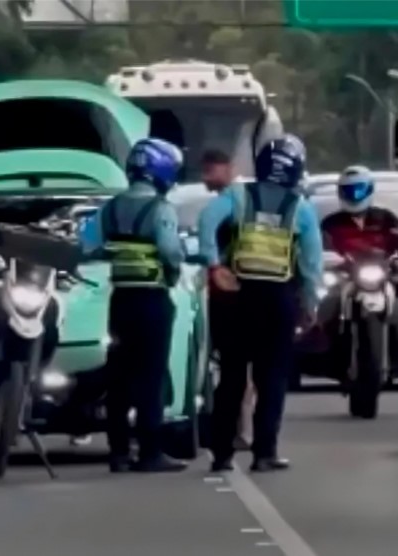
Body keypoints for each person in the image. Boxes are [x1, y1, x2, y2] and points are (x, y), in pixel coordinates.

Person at [198, 134, 323, 473]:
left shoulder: (238, 196)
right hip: (277, 301)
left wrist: (214, 265)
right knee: (272, 380)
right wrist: (310, 304)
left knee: (232, 376)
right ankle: (264, 453)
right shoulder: (301, 209)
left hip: (236, 297)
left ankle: (221, 453)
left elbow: (206, 222)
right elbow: (312, 264)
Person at [80, 137, 187, 473]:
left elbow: (87, 247)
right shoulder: (160, 209)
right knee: (150, 377)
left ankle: (119, 452)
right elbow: (170, 251)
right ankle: (150, 452)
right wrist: (174, 270)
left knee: (119, 376)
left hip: (120, 301)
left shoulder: (110, 208)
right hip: (152, 301)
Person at [319, 165, 398, 387]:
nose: (354, 196)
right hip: (344, 280)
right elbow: (319, 251)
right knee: (326, 311)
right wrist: (330, 263)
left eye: (359, 191)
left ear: (370, 190)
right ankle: (332, 358)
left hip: (381, 280)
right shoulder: (330, 224)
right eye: (349, 191)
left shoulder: (386, 219)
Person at [200, 149, 255, 451]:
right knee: (247, 367)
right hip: (256, 290)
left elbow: (207, 233)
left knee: (231, 367)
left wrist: (212, 266)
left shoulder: (226, 202)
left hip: (229, 291)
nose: (206, 178)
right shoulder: (251, 199)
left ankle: (234, 432)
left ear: (229, 169)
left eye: (211, 171)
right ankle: (246, 431)